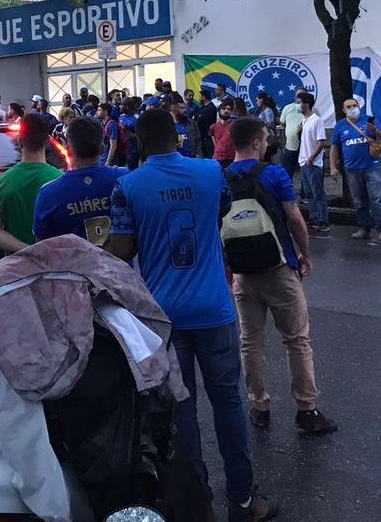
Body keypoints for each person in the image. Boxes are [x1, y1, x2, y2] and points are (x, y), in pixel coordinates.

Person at [107, 110, 275, 522]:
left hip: (165, 319)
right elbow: (219, 212)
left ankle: (199, 504)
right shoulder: (211, 173)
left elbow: (123, 251)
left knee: (182, 414)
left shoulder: (127, 186)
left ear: (140, 143)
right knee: (229, 404)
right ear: (178, 137)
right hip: (215, 309)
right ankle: (243, 500)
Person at [227, 117, 338, 436]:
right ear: (257, 143)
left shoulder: (221, 177)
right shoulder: (274, 173)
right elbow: (294, 219)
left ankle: (259, 406)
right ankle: (306, 409)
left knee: (250, 342)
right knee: (297, 341)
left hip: (243, 274)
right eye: (265, 138)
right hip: (279, 269)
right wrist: (305, 255)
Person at [33, 116, 126, 245]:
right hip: (118, 264)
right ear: (102, 149)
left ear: (68, 150)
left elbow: (43, 245)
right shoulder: (124, 179)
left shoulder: (48, 193)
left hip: (72, 265)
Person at [0, 113, 63, 252]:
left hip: (17, 268)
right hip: (56, 264)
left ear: (20, 142)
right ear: (47, 142)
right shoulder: (61, 180)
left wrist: (29, 251)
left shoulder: (0, 184)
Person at [330, 98, 381, 243]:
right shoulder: (340, 126)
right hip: (351, 169)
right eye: (349, 107)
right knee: (359, 201)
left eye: (354, 105)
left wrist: (375, 131)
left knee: (377, 199)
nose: (352, 108)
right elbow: (334, 147)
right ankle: (364, 228)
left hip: (371, 167)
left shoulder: (369, 120)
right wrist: (333, 167)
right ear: (343, 110)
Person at [298, 93, 329, 233]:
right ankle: (314, 217)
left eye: (299, 102)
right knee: (309, 193)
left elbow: (321, 142)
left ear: (306, 104)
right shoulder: (304, 121)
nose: (297, 105)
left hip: (313, 162)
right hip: (303, 161)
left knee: (318, 192)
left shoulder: (317, 120)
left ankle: (323, 220)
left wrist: (312, 157)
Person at [278, 88, 308, 180]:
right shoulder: (288, 108)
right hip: (290, 147)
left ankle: (305, 194)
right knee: (286, 173)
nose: (300, 97)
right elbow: (282, 122)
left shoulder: (313, 109)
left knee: (306, 175)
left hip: (306, 149)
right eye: (298, 95)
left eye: (303, 95)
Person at [210, 99, 237, 168]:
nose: (226, 111)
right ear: (219, 111)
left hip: (231, 158)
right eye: (224, 109)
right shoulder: (213, 127)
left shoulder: (235, 125)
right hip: (218, 158)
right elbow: (214, 142)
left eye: (228, 109)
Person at [118, 98, 140, 169]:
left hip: (133, 150)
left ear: (127, 106)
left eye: (121, 105)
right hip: (121, 149)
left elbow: (139, 137)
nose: (119, 106)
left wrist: (125, 129)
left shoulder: (136, 118)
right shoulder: (121, 116)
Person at [197, 88, 218, 159]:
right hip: (202, 137)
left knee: (209, 156)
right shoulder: (203, 107)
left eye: (200, 96)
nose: (199, 98)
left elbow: (202, 119)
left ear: (204, 97)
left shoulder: (211, 108)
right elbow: (196, 116)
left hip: (208, 137)